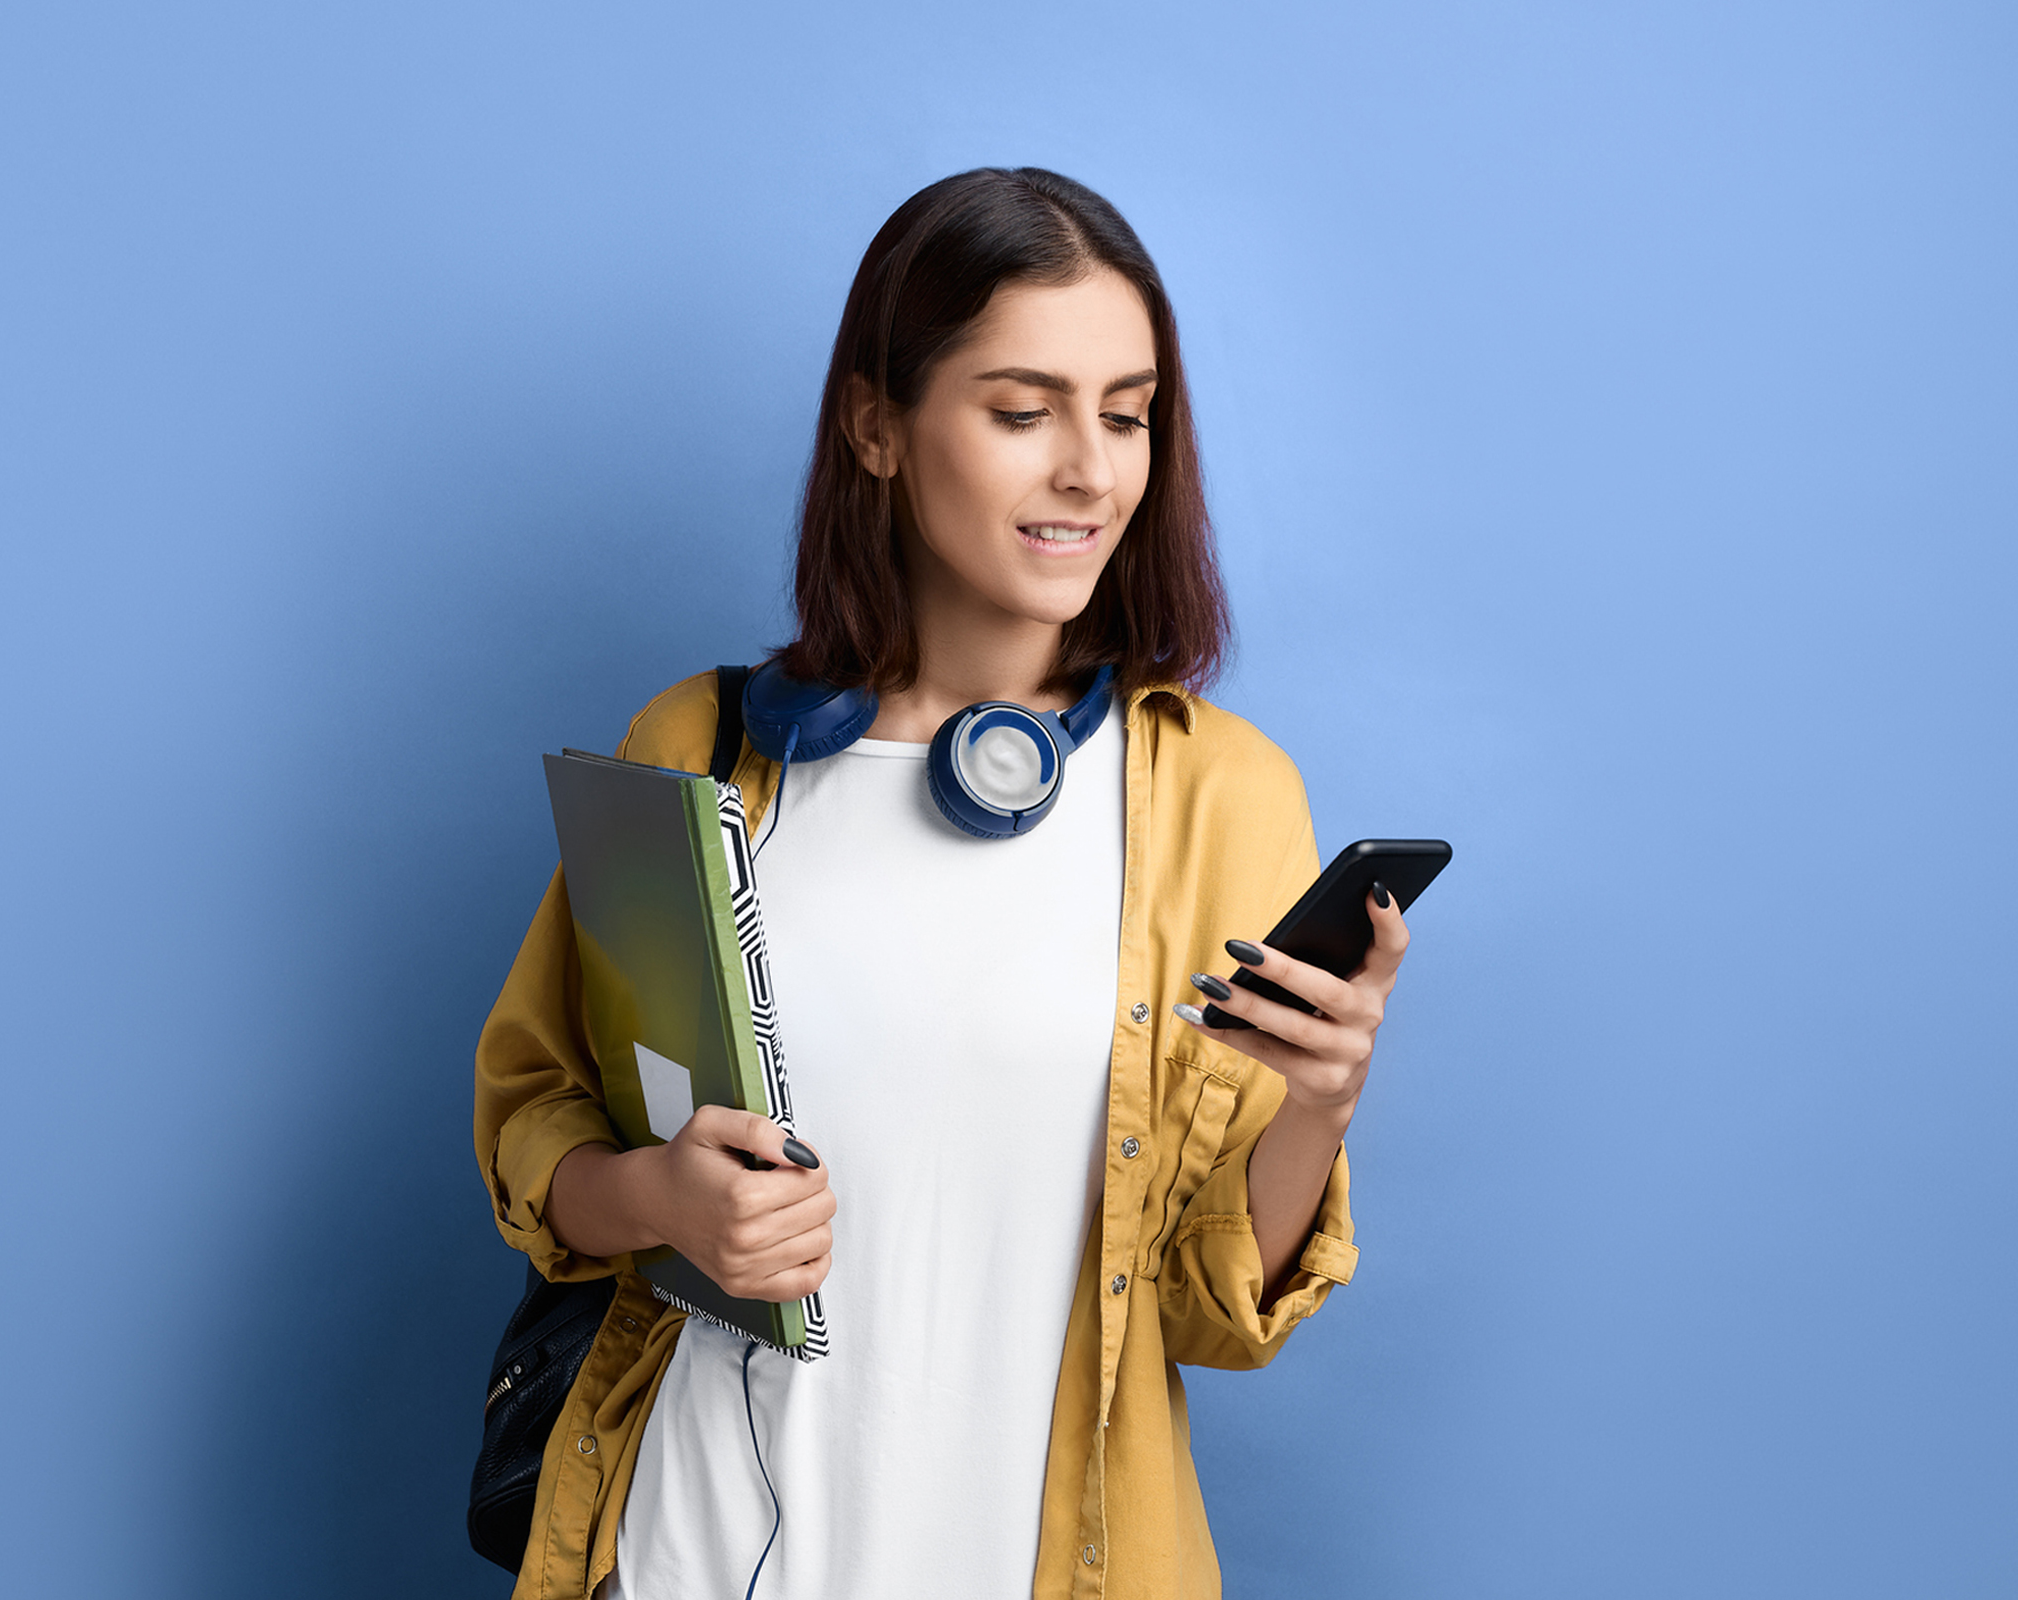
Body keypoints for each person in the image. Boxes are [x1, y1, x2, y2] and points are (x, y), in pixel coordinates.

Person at [471, 167, 1411, 1600]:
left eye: (1128, 411)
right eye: (1023, 411)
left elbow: (1216, 1315)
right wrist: (662, 1194)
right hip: (683, 1555)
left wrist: (1323, 1103)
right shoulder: (697, 753)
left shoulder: (1228, 795)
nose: (1090, 471)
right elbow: (535, 1137)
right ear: (877, 428)